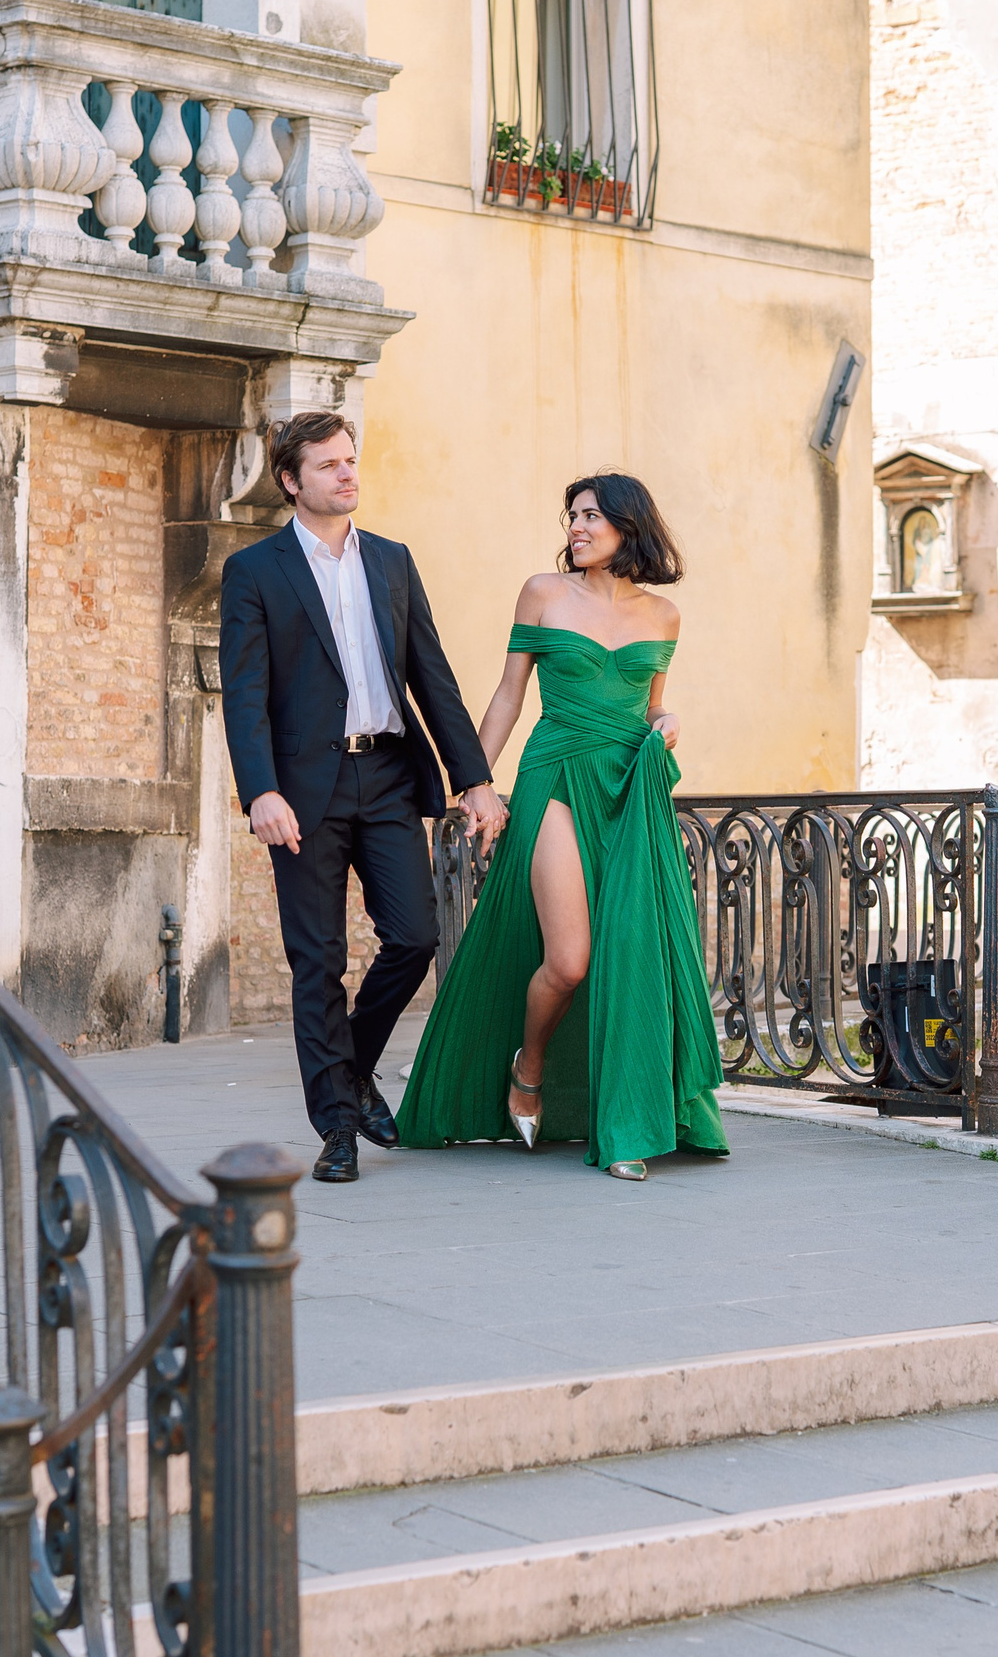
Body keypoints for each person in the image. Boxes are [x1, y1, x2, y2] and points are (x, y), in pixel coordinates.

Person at [395, 472, 727, 1180]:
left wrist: (665, 723)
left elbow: (649, 706)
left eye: (589, 517)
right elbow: (509, 696)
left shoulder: (663, 616)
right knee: (570, 959)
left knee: (631, 954)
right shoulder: (543, 594)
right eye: (571, 518)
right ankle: (530, 1064)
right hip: (554, 778)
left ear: (627, 526)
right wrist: (473, 784)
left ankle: (626, 1121)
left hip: (627, 790)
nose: (574, 529)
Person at [218, 411, 507, 1184]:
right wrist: (260, 792)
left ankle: (346, 1072)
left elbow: (432, 676)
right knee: (317, 960)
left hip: (385, 776)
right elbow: (244, 695)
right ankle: (338, 1127)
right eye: (329, 466)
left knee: (414, 937)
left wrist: (472, 777)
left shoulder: (391, 561)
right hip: (302, 790)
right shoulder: (257, 572)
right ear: (291, 480)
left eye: (351, 462)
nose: (348, 475)